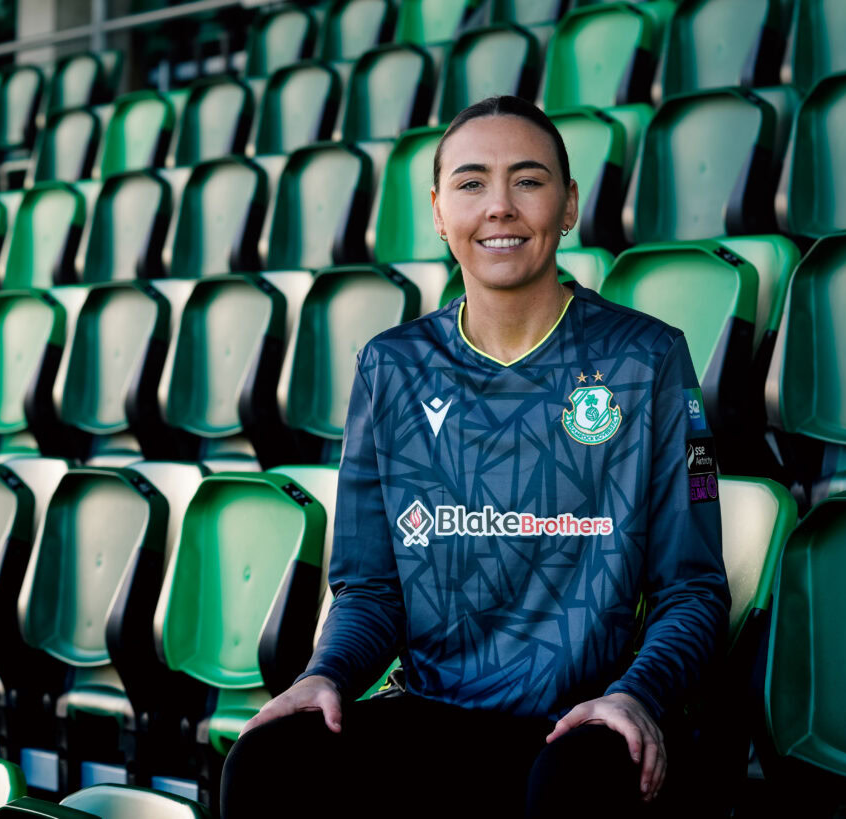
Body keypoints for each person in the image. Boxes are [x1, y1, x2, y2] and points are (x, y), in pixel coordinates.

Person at [220, 95, 731, 818]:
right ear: (437, 210)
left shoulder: (649, 358)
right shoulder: (390, 367)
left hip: (580, 726)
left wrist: (635, 695)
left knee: (576, 784)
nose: (500, 206)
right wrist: (326, 671)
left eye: (528, 180)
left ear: (570, 203)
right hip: (434, 710)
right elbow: (370, 588)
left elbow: (695, 591)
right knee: (269, 762)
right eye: (470, 183)